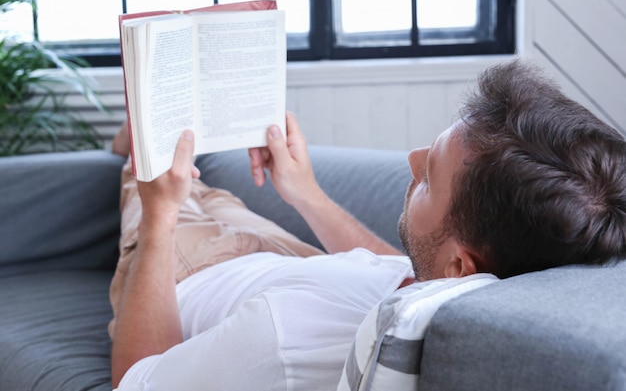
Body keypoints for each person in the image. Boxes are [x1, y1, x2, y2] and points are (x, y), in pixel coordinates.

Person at [109, 59, 626, 390]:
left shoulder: (284, 341)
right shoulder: (456, 281)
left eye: (429, 178)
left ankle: (126, 147)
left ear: (459, 265)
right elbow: (395, 270)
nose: (411, 159)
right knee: (202, 184)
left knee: (146, 166)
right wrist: (304, 192)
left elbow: (134, 382)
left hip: (183, 270)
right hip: (282, 258)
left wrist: (159, 216)